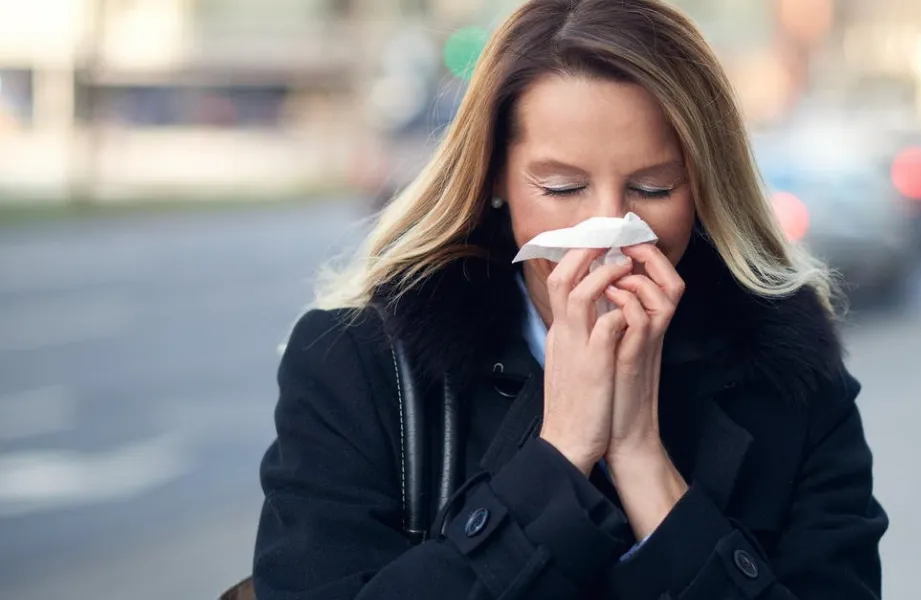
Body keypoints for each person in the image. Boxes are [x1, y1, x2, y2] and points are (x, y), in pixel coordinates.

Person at [252, 1, 887, 598]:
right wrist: (558, 456)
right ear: (496, 175)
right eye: (561, 188)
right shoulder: (359, 367)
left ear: (702, 188)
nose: (609, 228)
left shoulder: (795, 382)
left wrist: (642, 457)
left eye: (652, 188)